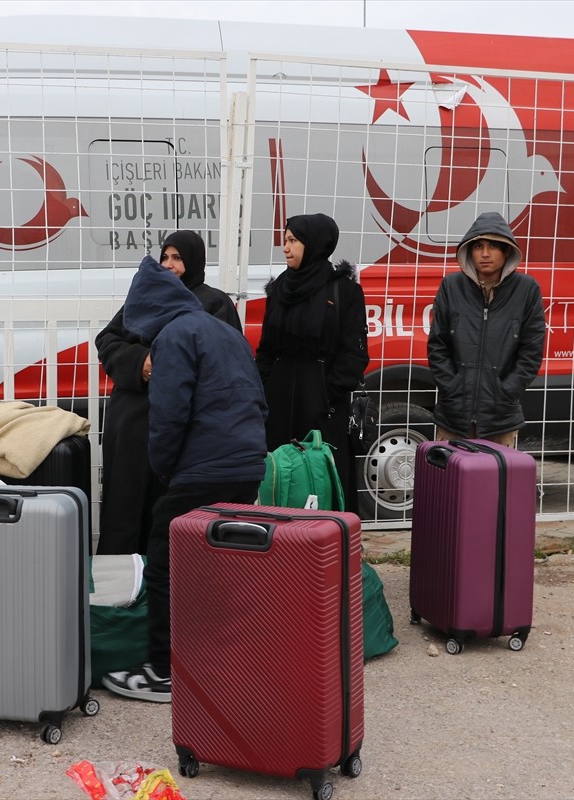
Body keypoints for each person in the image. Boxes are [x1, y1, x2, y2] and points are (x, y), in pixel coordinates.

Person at [101, 255, 267, 702]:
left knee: (164, 566)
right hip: (246, 466)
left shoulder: (173, 337)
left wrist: (165, 470)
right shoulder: (225, 332)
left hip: (202, 470)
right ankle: (222, 663)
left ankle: (164, 671)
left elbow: (168, 414)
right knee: (221, 568)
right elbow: (259, 398)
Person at [94, 231, 240, 555]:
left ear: (195, 261)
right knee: (125, 505)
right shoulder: (145, 296)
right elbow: (107, 340)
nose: (169, 265)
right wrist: (141, 363)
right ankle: (120, 579)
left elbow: (224, 360)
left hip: (181, 425)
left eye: (178, 258)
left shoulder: (214, 303)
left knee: (170, 514)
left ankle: (165, 579)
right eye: (165, 257)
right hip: (133, 421)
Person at [255, 212, 369, 512]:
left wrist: (325, 394)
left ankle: (325, 537)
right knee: (280, 477)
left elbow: (354, 353)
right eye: (285, 240)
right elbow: (266, 349)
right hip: (279, 404)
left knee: (321, 480)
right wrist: (266, 388)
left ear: (315, 244)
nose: (285, 247)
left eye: (293, 240)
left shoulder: (343, 291)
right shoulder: (279, 289)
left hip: (322, 406)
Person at [427, 211, 546, 448]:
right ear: (468, 251)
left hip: (501, 418)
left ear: (507, 251)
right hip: (453, 416)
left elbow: (531, 351)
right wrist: (452, 387)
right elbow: (437, 345)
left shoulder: (526, 289)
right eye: (477, 246)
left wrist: (505, 391)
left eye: (493, 246)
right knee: (451, 472)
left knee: (497, 473)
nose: (484, 253)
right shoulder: (452, 286)